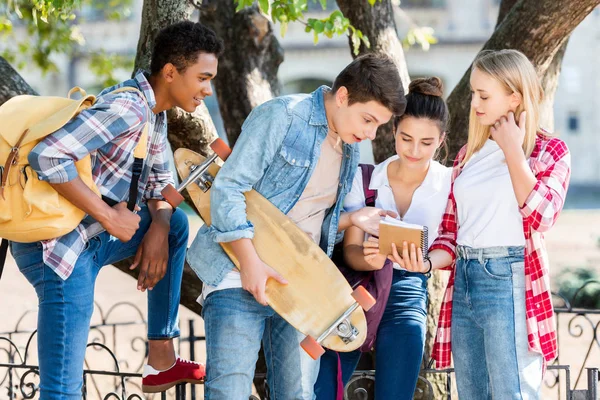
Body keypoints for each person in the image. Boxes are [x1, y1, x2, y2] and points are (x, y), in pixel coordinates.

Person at [9, 21, 224, 398]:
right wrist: (110, 216)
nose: (208, 90)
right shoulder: (128, 107)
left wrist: (157, 227)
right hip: (58, 250)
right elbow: (47, 155)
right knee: (62, 389)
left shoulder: (155, 115)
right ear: (170, 73)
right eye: (203, 78)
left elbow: (159, 187)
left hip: (92, 239)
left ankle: (161, 358)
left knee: (173, 224)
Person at [186, 53, 406, 399]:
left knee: (297, 394)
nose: (370, 133)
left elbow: (308, 225)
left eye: (377, 126)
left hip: (298, 288)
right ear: (344, 96)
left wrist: (352, 219)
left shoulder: (347, 150)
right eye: (368, 120)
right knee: (229, 390)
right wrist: (250, 264)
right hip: (236, 271)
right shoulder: (283, 116)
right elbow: (229, 188)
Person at [415, 49, 571, 399]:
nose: (473, 103)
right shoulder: (468, 154)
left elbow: (542, 217)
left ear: (514, 97)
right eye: (473, 92)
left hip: (508, 279)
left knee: (513, 393)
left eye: (484, 95)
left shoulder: (549, 151)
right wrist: (425, 261)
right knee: (473, 394)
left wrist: (514, 151)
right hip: (465, 281)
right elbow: (451, 234)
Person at [315, 77, 452, 400]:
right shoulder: (364, 179)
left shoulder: (449, 185)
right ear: (392, 131)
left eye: (427, 142)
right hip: (359, 289)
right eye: (406, 138)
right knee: (322, 390)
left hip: (407, 292)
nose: (414, 151)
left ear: (442, 140)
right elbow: (349, 250)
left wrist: (424, 263)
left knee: (396, 393)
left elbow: (452, 240)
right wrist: (370, 258)